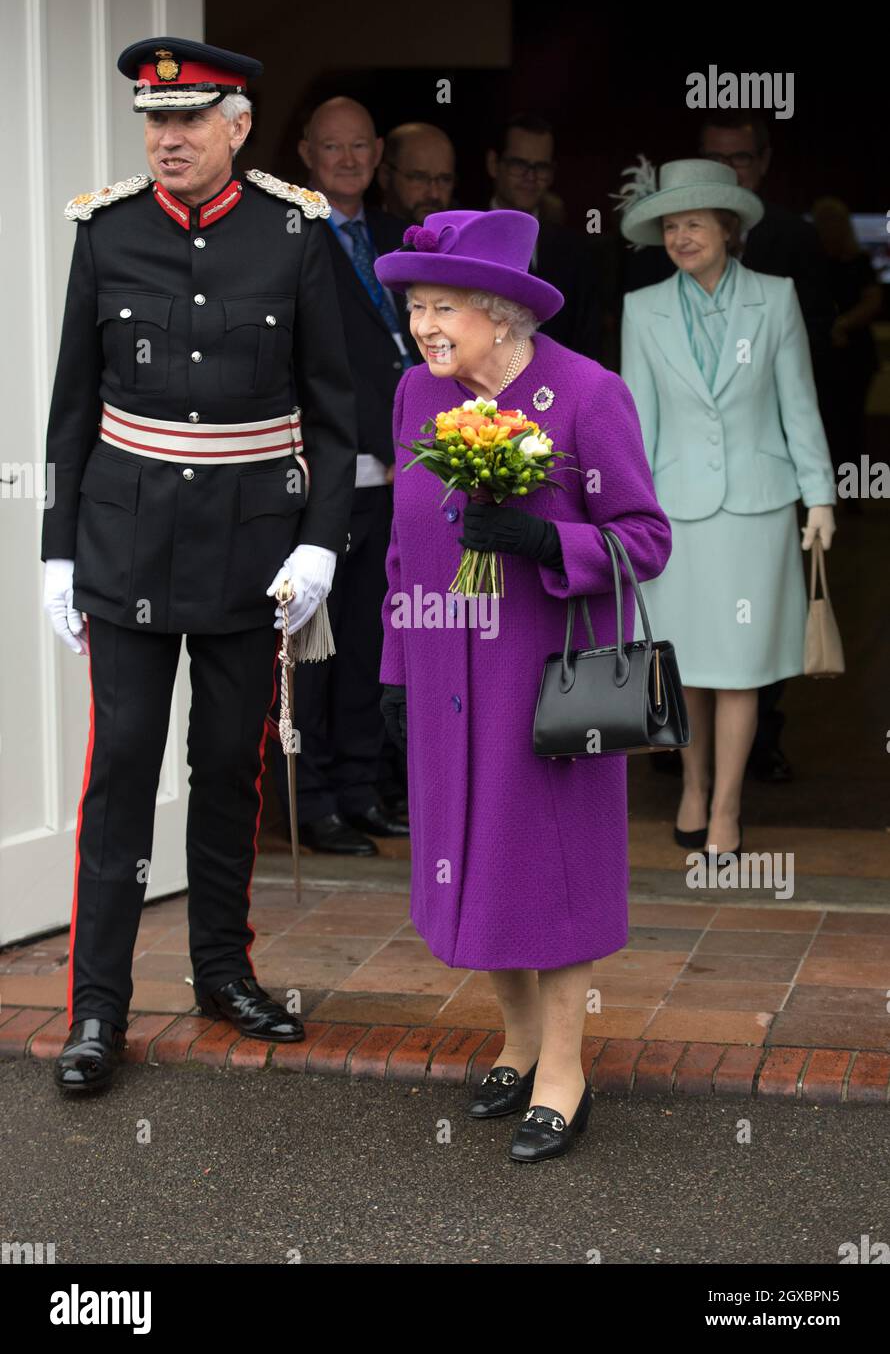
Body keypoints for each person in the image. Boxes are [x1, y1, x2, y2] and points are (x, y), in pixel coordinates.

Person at [40, 36, 357, 1093]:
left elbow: (335, 411)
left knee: (227, 765)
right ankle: (97, 1008)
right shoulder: (108, 229)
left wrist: (318, 537)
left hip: (249, 545)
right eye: (153, 120)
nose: (166, 137)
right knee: (122, 769)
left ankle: (222, 970)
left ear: (237, 127)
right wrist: (54, 552)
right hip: (124, 538)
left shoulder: (293, 232)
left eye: (188, 119)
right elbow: (72, 412)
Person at [373, 210, 671, 1162]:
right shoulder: (417, 393)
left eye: (443, 306)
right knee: (470, 862)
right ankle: (518, 1037)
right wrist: (392, 666)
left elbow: (646, 540)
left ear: (501, 316)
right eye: (415, 305)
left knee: (548, 869)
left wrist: (552, 542)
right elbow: (397, 549)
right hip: (440, 670)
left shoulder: (587, 396)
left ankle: (565, 1071)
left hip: (538, 684)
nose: (424, 324)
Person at [618, 160, 836, 856]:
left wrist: (822, 497)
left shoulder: (776, 299)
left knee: (740, 668)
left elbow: (799, 406)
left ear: (728, 228)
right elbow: (637, 424)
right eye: (671, 226)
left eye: (694, 223)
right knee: (681, 665)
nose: (681, 237)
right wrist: (628, 512)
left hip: (757, 508)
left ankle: (727, 809)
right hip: (674, 513)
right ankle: (691, 785)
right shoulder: (642, 308)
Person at [275, 97, 419, 854]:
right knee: (315, 649)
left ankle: (363, 788)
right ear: (306, 152)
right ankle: (316, 800)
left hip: (403, 475)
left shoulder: (399, 237)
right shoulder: (285, 236)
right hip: (327, 474)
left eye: (361, 146)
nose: (348, 159)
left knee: (374, 639)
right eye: (333, 148)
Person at [486, 113, 601, 360]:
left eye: (541, 167)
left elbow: (588, 344)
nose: (531, 177)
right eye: (519, 165)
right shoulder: (462, 237)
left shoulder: (577, 252)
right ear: (494, 164)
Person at [811, 197, 882, 482]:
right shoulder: (812, 262)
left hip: (855, 354)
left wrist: (843, 325)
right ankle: (822, 487)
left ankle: (855, 488)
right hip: (821, 353)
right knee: (823, 422)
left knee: (853, 423)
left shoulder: (860, 262)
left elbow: (872, 301)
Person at [377, 122, 457, 226]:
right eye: (419, 178)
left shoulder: (465, 231)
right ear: (385, 176)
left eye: (445, 179)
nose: (434, 194)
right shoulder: (362, 232)